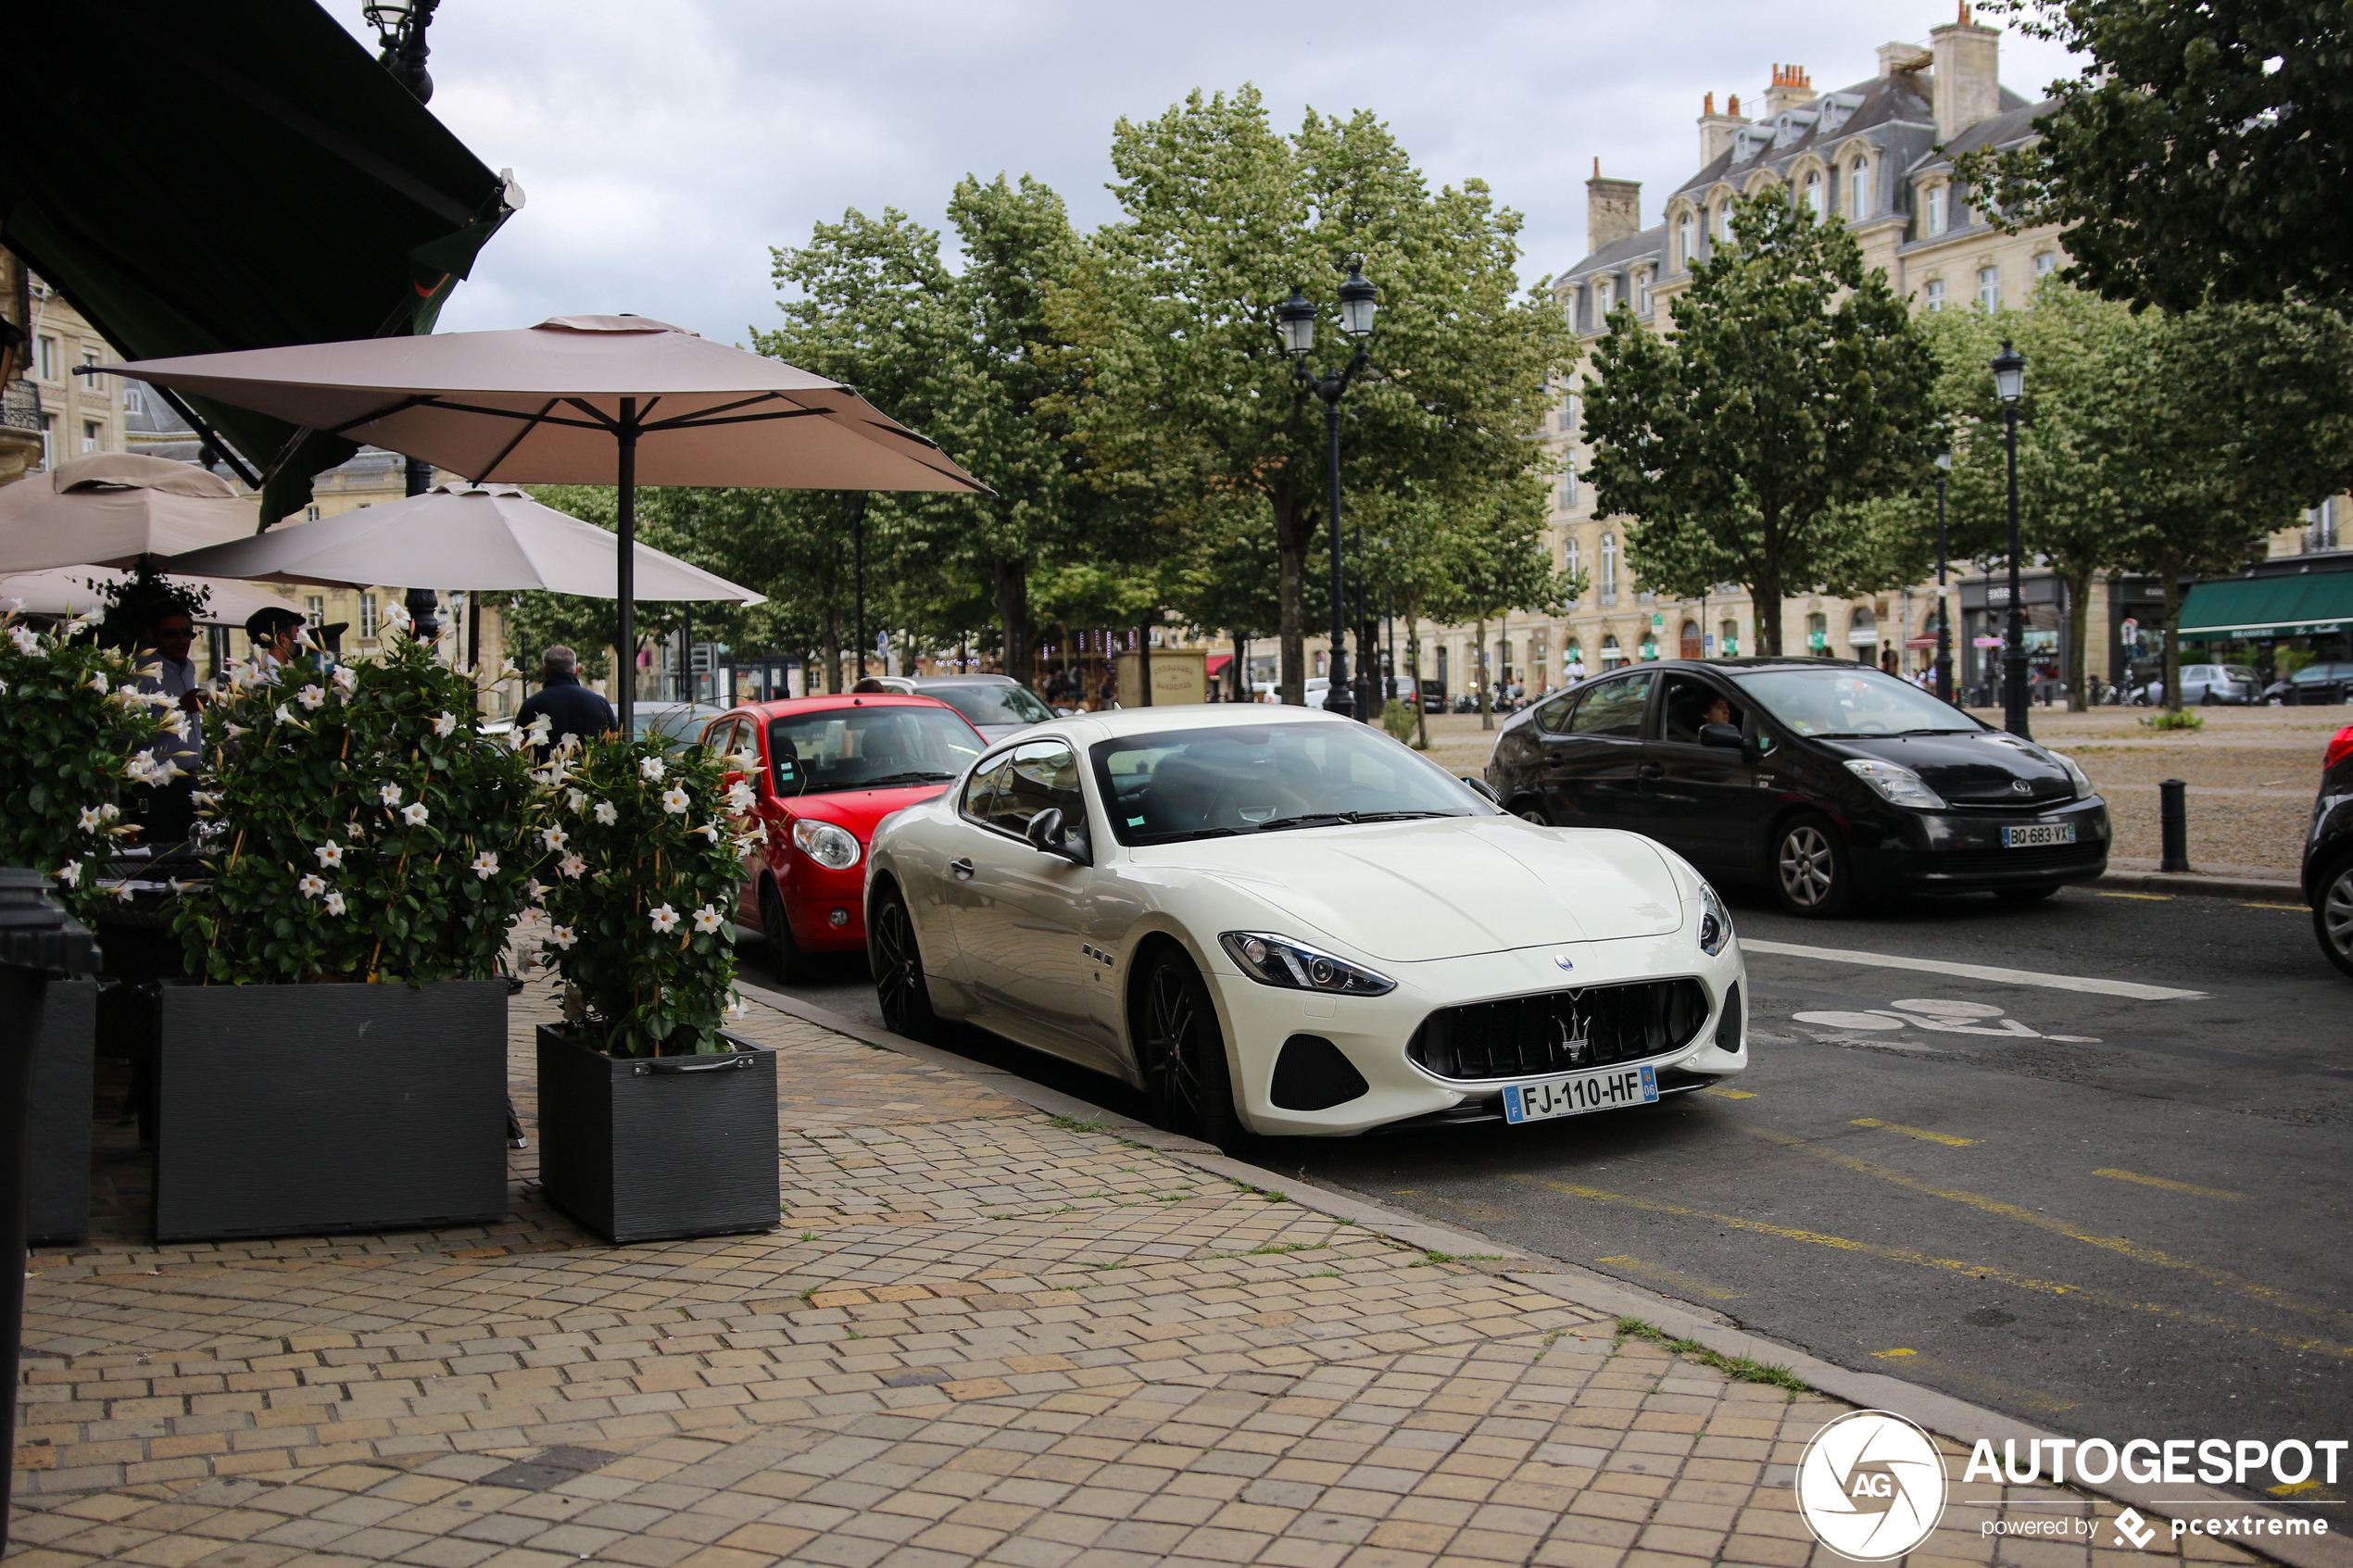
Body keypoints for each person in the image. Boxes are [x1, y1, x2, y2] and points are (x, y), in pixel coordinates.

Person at [132, 606, 207, 843]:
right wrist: (179, 710)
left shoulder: (189, 667)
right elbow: (127, 732)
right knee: (163, 854)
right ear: (152, 635)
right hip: (155, 786)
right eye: (171, 634)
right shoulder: (139, 672)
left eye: (187, 632)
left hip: (189, 781)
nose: (181, 639)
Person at [517, 645, 615, 753]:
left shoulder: (531, 705)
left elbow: (520, 750)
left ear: (545, 671)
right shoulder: (600, 703)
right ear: (577, 671)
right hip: (590, 769)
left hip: (546, 768)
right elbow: (614, 742)